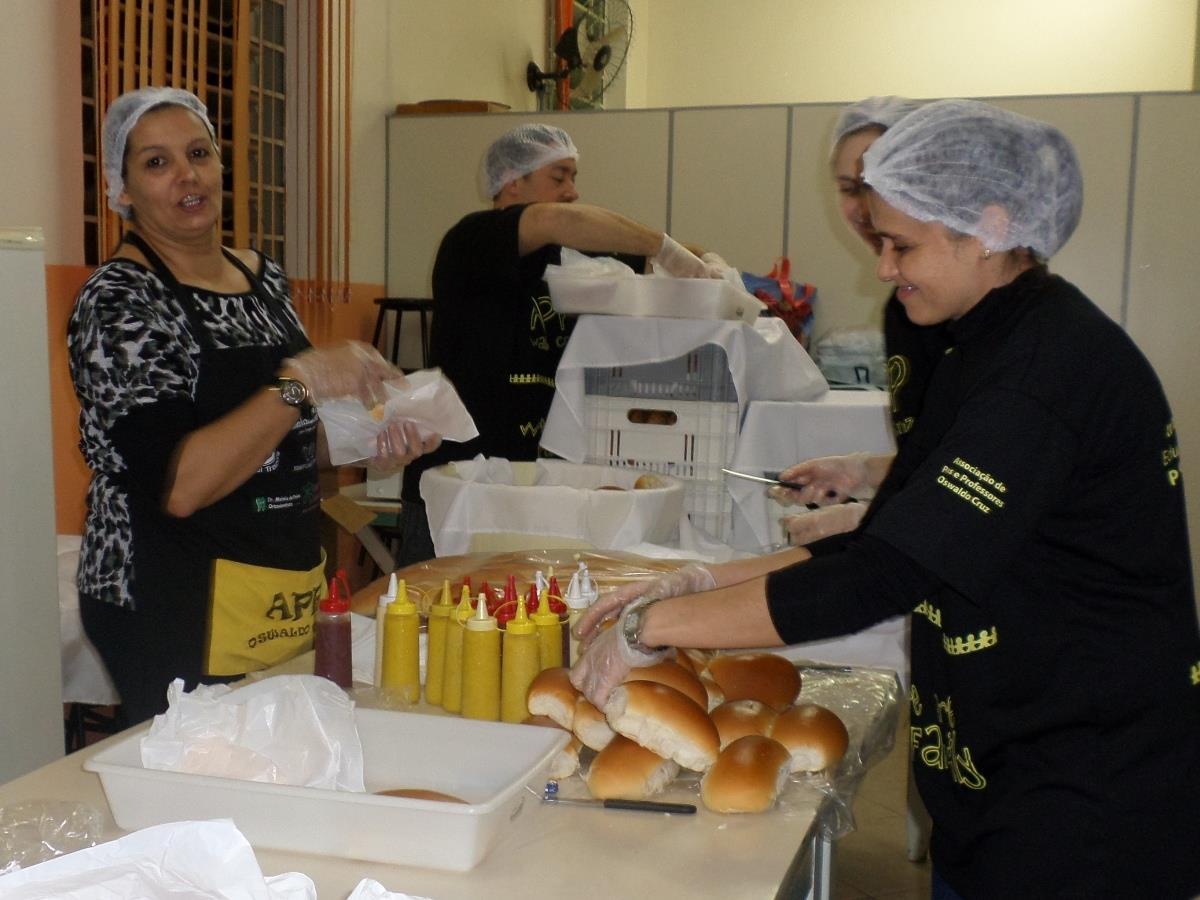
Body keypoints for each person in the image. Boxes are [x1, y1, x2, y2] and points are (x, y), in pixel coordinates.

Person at [571, 100, 1200, 899]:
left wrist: (649, 628)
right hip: (998, 771)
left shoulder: (1046, 372)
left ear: (991, 227)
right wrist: (700, 583)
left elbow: (885, 577)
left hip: (1083, 795)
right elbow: (890, 535)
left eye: (902, 245)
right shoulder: (978, 340)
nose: (883, 268)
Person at [68, 86, 439, 725]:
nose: (186, 174)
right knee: (205, 784)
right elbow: (182, 485)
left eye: (198, 153)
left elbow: (279, 439)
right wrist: (300, 379)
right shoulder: (119, 302)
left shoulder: (262, 279)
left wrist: (364, 441)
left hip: (282, 579)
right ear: (122, 189)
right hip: (174, 592)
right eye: (156, 163)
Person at [396, 123, 724, 565]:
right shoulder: (473, 239)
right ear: (513, 180)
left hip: (524, 490)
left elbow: (641, 252)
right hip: (454, 486)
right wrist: (664, 247)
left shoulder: (567, 259)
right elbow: (559, 219)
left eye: (574, 178)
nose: (572, 191)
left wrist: (704, 260)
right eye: (559, 176)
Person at [773, 97, 949, 546]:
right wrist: (861, 473)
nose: (869, 209)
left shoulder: (1012, 333)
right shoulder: (907, 305)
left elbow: (988, 492)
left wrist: (862, 522)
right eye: (851, 188)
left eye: (881, 185)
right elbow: (941, 459)